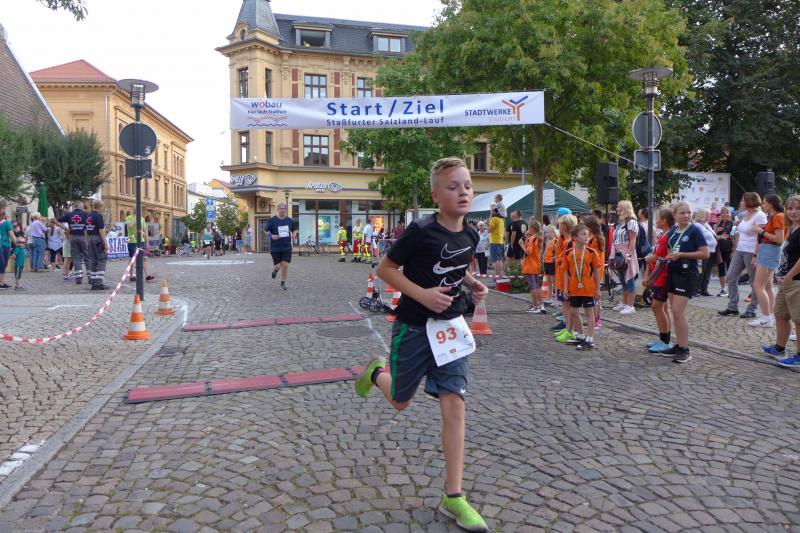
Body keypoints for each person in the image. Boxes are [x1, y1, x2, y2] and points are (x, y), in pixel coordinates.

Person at [354, 157, 489, 533]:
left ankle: (454, 496)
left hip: (451, 328)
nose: (463, 192)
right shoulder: (420, 230)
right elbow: (385, 269)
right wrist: (423, 295)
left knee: (455, 405)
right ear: (435, 195)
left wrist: (471, 283)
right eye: (453, 187)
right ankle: (377, 372)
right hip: (414, 327)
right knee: (400, 400)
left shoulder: (471, 234)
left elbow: (457, 266)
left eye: (467, 186)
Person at [661, 202, 709, 363]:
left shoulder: (695, 230)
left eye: (688, 212)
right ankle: (679, 344)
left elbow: (705, 253)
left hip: (687, 273)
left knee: (678, 311)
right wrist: (667, 258)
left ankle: (685, 349)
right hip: (673, 271)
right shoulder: (673, 230)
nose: (686, 215)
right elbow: (670, 249)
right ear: (675, 215)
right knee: (674, 311)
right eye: (682, 213)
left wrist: (682, 255)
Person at [762, 195, 800, 367]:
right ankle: (779, 348)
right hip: (786, 279)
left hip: (795, 280)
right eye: (790, 208)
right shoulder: (792, 227)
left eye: (798, 208)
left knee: (798, 319)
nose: (793, 211)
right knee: (780, 314)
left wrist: (790, 275)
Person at [719, 192, 766, 318]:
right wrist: (735, 249)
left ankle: (752, 309)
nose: (741, 202)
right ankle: (732, 306)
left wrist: (756, 254)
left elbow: (761, 237)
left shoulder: (760, 215)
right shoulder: (744, 214)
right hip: (740, 250)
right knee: (730, 277)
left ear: (750, 201)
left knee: (754, 281)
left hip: (751, 251)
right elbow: (739, 233)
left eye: (743, 200)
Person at [749, 193, 786, 328]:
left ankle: (766, 318)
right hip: (768, 250)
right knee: (768, 286)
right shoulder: (776, 216)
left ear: (771, 204)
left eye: (764, 203)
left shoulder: (778, 217)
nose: (762, 205)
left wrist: (761, 231)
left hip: (770, 251)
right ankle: (770, 316)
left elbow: (779, 239)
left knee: (758, 286)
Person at [563, 224, 602, 350]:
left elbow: (596, 271)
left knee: (589, 313)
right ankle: (580, 335)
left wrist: (598, 289)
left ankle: (590, 339)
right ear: (574, 237)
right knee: (574, 312)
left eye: (587, 234)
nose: (586, 237)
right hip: (574, 288)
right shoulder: (568, 253)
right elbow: (565, 272)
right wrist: (565, 288)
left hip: (588, 289)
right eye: (583, 234)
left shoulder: (591, 252)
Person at [645, 208, 675, 353]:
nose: (655, 220)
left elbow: (659, 256)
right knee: (662, 308)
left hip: (663, 276)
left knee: (657, 307)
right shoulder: (663, 235)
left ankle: (665, 341)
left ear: (664, 221)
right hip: (659, 275)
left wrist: (649, 258)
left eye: (657, 218)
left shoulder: (668, 236)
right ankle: (664, 338)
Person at [610, 200, 639, 315]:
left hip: (626, 253)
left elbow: (633, 240)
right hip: (618, 254)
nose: (616, 209)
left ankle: (631, 305)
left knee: (629, 279)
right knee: (622, 280)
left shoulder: (631, 222)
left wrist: (629, 255)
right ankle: (625, 303)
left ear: (624, 209)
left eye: (619, 207)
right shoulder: (620, 223)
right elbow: (615, 240)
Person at [553, 214, 577, 340]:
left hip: (566, 277)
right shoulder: (564, 240)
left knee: (568, 305)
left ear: (566, 226)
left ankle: (570, 330)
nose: (559, 227)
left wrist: (558, 260)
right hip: (562, 275)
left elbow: (564, 260)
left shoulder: (570, 242)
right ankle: (567, 327)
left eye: (560, 225)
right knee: (565, 304)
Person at [58, 201, 90, 285]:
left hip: (73, 237)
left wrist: (65, 228)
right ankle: (90, 277)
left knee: (76, 258)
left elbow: (56, 220)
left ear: (74, 207)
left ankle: (78, 278)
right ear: (81, 206)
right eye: (82, 206)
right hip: (83, 237)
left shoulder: (69, 214)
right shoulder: (86, 214)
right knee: (87, 257)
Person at [266, 203, 296, 290]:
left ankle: (283, 282)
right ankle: (275, 270)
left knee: (285, 264)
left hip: (286, 246)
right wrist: (272, 236)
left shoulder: (289, 220)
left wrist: (294, 235)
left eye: (284, 208)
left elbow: (294, 230)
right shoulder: (272, 220)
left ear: (285, 210)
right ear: (278, 210)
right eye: (281, 208)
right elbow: (266, 231)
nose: (282, 210)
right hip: (275, 247)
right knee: (278, 266)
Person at [585, 215, 605, 329]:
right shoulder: (595, 238)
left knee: (594, 296)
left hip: (594, 270)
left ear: (591, 227)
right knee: (593, 296)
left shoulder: (595, 240)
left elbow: (593, 256)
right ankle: (594, 319)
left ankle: (596, 320)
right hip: (594, 269)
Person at [693, 208, 718, 296]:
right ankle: (696, 290)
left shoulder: (706, 224)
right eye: (707, 214)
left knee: (707, 271)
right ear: (701, 215)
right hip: (703, 251)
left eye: (709, 214)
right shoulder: (697, 225)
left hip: (711, 251)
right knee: (700, 270)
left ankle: (704, 289)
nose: (709, 216)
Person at [522, 220, 545, 313]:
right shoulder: (537, 238)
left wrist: (522, 245)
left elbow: (528, 252)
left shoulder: (532, 238)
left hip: (530, 265)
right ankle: (541, 305)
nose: (527, 229)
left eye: (528, 227)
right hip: (536, 264)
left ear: (532, 228)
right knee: (537, 285)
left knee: (533, 286)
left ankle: (535, 306)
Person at [86, 200, 109, 290]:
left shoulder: (88, 215)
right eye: (103, 207)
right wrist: (105, 243)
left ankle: (93, 282)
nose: (103, 209)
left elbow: (85, 230)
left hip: (90, 238)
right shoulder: (99, 216)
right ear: (99, 207)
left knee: (94, 260)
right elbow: (101, 230)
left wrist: (87, 241)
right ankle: (99, 283)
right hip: (98, 239)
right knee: (102, 259)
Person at [125, 212, 155, 281]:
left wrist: (147, 241)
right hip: (132, 241)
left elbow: (145, 230)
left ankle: (147, 275)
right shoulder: (129, 217)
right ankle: (131, 276)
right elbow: (130, 225)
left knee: (145, 258)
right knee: (132, 259)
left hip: (141, 241)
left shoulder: (142, 219)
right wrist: (136, 217)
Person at [714, 208, 734, 296]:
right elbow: (716, 234)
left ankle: (731, 290)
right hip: (719, 249)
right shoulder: (720, 223)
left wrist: (718, 234)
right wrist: (717, 232)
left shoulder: (730, 223)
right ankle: (723, 289)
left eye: (726, 213)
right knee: (721, 269)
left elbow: (725, 235)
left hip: (728, 249)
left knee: (730, 269)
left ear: (729, 214)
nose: (724, 214)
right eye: (722, 213)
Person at [0, 200, 15, 289]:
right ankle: (1, 283)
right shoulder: (7, 223)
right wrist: (18, 244)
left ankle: (2, 283)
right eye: (4, 208)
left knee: (3, 264)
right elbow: (12, 237)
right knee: (2, 264)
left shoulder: (7, 223)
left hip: (5, 245)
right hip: (4, 246)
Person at [542, 225, 557, 306]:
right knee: (549, 281)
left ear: (553, 233)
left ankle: (557, 298)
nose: (547, 234)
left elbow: (557, 253)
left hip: (552, 263)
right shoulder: (546, 241)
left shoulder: (556, 241)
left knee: (554, 281)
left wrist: (554, 258)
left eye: (548, 232)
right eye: (546, 232)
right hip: (546, 262)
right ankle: (549, 297)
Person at [488, 208, 505, 276]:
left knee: (495, 260)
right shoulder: (501, 219)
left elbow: (489, 230)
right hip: (500, 241)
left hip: (494, 241)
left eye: (490, 211)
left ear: (494, 212)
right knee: (499, 259)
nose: (490, 213)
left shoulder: (494, 219)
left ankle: (497, 276)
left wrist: (488, 222)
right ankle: (499, 275)